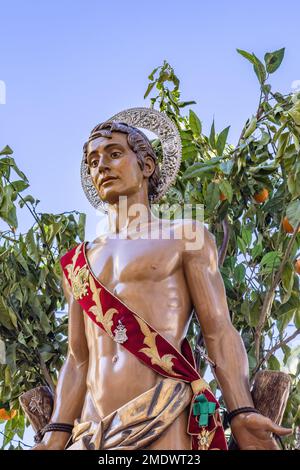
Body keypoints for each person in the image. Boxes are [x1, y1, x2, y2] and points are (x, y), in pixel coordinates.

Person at [33, 109, 292, 450]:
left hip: (164, 415)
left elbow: (218, 331)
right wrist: (55, 433)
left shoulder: (186, 237)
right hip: (93, 429)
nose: (102, 167)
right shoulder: (80, 260)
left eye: (114, 154)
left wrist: (241, 410)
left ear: (147, 165)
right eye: (93, 161)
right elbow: (78, 359)